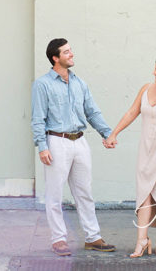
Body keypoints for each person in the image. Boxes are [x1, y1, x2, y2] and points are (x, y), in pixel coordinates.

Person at [30, 38, 116, 257]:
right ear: (55, 58)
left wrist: (107, 134)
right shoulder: (42, 84)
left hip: (80, 142)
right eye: (66, 52)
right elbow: (38, 118)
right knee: (54, 194)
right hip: (56, 142)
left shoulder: (79, 83)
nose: (72, 54)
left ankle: (93, 237)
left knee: (84, 192)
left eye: (71, 50)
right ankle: (58, 239)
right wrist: (42, 146)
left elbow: (92, 112)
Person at [105, 56, 156, 257]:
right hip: (147, 147)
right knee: (145, 192)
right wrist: (114, 133)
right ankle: (141, 240)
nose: (154, 73)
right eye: (154, 69)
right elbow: (131, 112)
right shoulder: (145, 89)